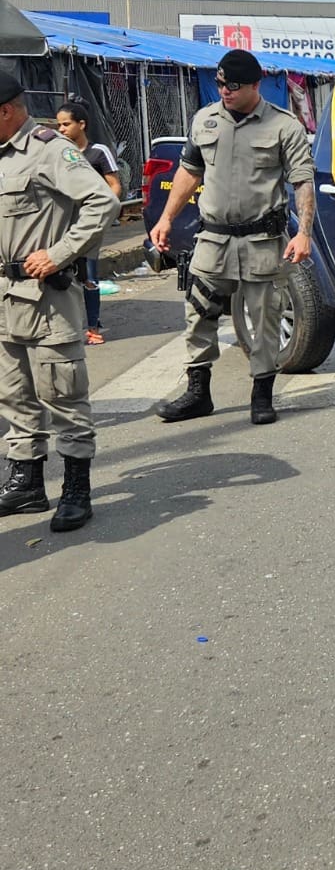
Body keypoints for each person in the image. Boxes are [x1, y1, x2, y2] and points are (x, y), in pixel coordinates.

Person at [149, 50, 315, 426]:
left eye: (233, 86)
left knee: (265, 318)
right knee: (197, 313)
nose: (225, 91)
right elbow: (188, 173)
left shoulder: (283, 126)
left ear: (256, 85)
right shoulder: (205, 121)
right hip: (213, 239)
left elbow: (303, 181)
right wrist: (166, 219)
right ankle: (198, 392)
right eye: (221, 83)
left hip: (261, 240)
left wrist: (303, 233)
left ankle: (261, 394)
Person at [0, 72, 120, 531]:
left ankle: (76, 488)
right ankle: (27, 483)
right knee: (13, 395)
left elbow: (102, 204)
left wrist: (59, 253)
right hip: (5, 298)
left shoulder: (50, 150)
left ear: (7, 111)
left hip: (46, 299)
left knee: (62, 395)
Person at [54, 101, 121, 345]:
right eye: (59, 124)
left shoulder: (97, 152)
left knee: (89, 276)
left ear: (82, 124)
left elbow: (114, 185)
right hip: (62, 224)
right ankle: (66, 325)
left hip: (89, 224)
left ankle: (93, 328)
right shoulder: (57, 153)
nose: (61, 129)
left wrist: (103, 215)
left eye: (66, 124)